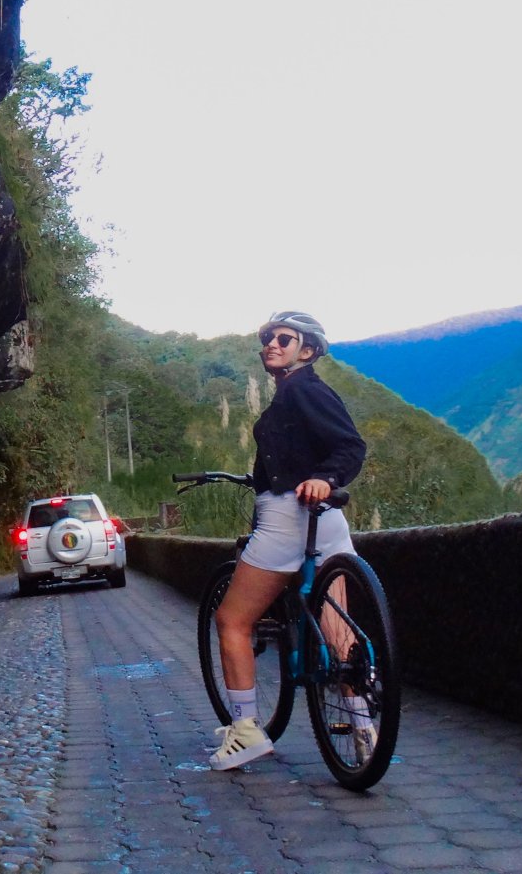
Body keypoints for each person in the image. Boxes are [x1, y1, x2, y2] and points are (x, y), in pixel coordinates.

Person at [209, 310, 368, 771]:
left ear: (308, 350)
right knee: (336, 627)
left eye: (284, 338)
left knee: (233, 621)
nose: (271, 345)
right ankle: (361, 724)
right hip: (325, 519)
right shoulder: (293, 393)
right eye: (267, 339)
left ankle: (244, 732)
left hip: (288, 518)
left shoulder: (304, 389)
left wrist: (325, 475)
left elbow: (350, 446)